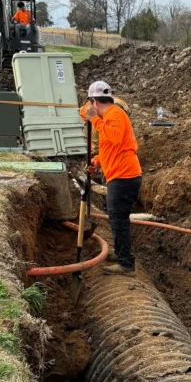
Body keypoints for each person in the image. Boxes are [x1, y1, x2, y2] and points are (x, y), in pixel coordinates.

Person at [81, 80, 142, 276]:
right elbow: (112, 146)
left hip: (124, 177)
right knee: (116, 218)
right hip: (120, 175)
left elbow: (114, 137)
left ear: (95, 102)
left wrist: (94, 121)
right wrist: (97, 160)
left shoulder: (114, 114)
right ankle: (120, 253)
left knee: (118, 220)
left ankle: (126, 264)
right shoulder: (110, 114)